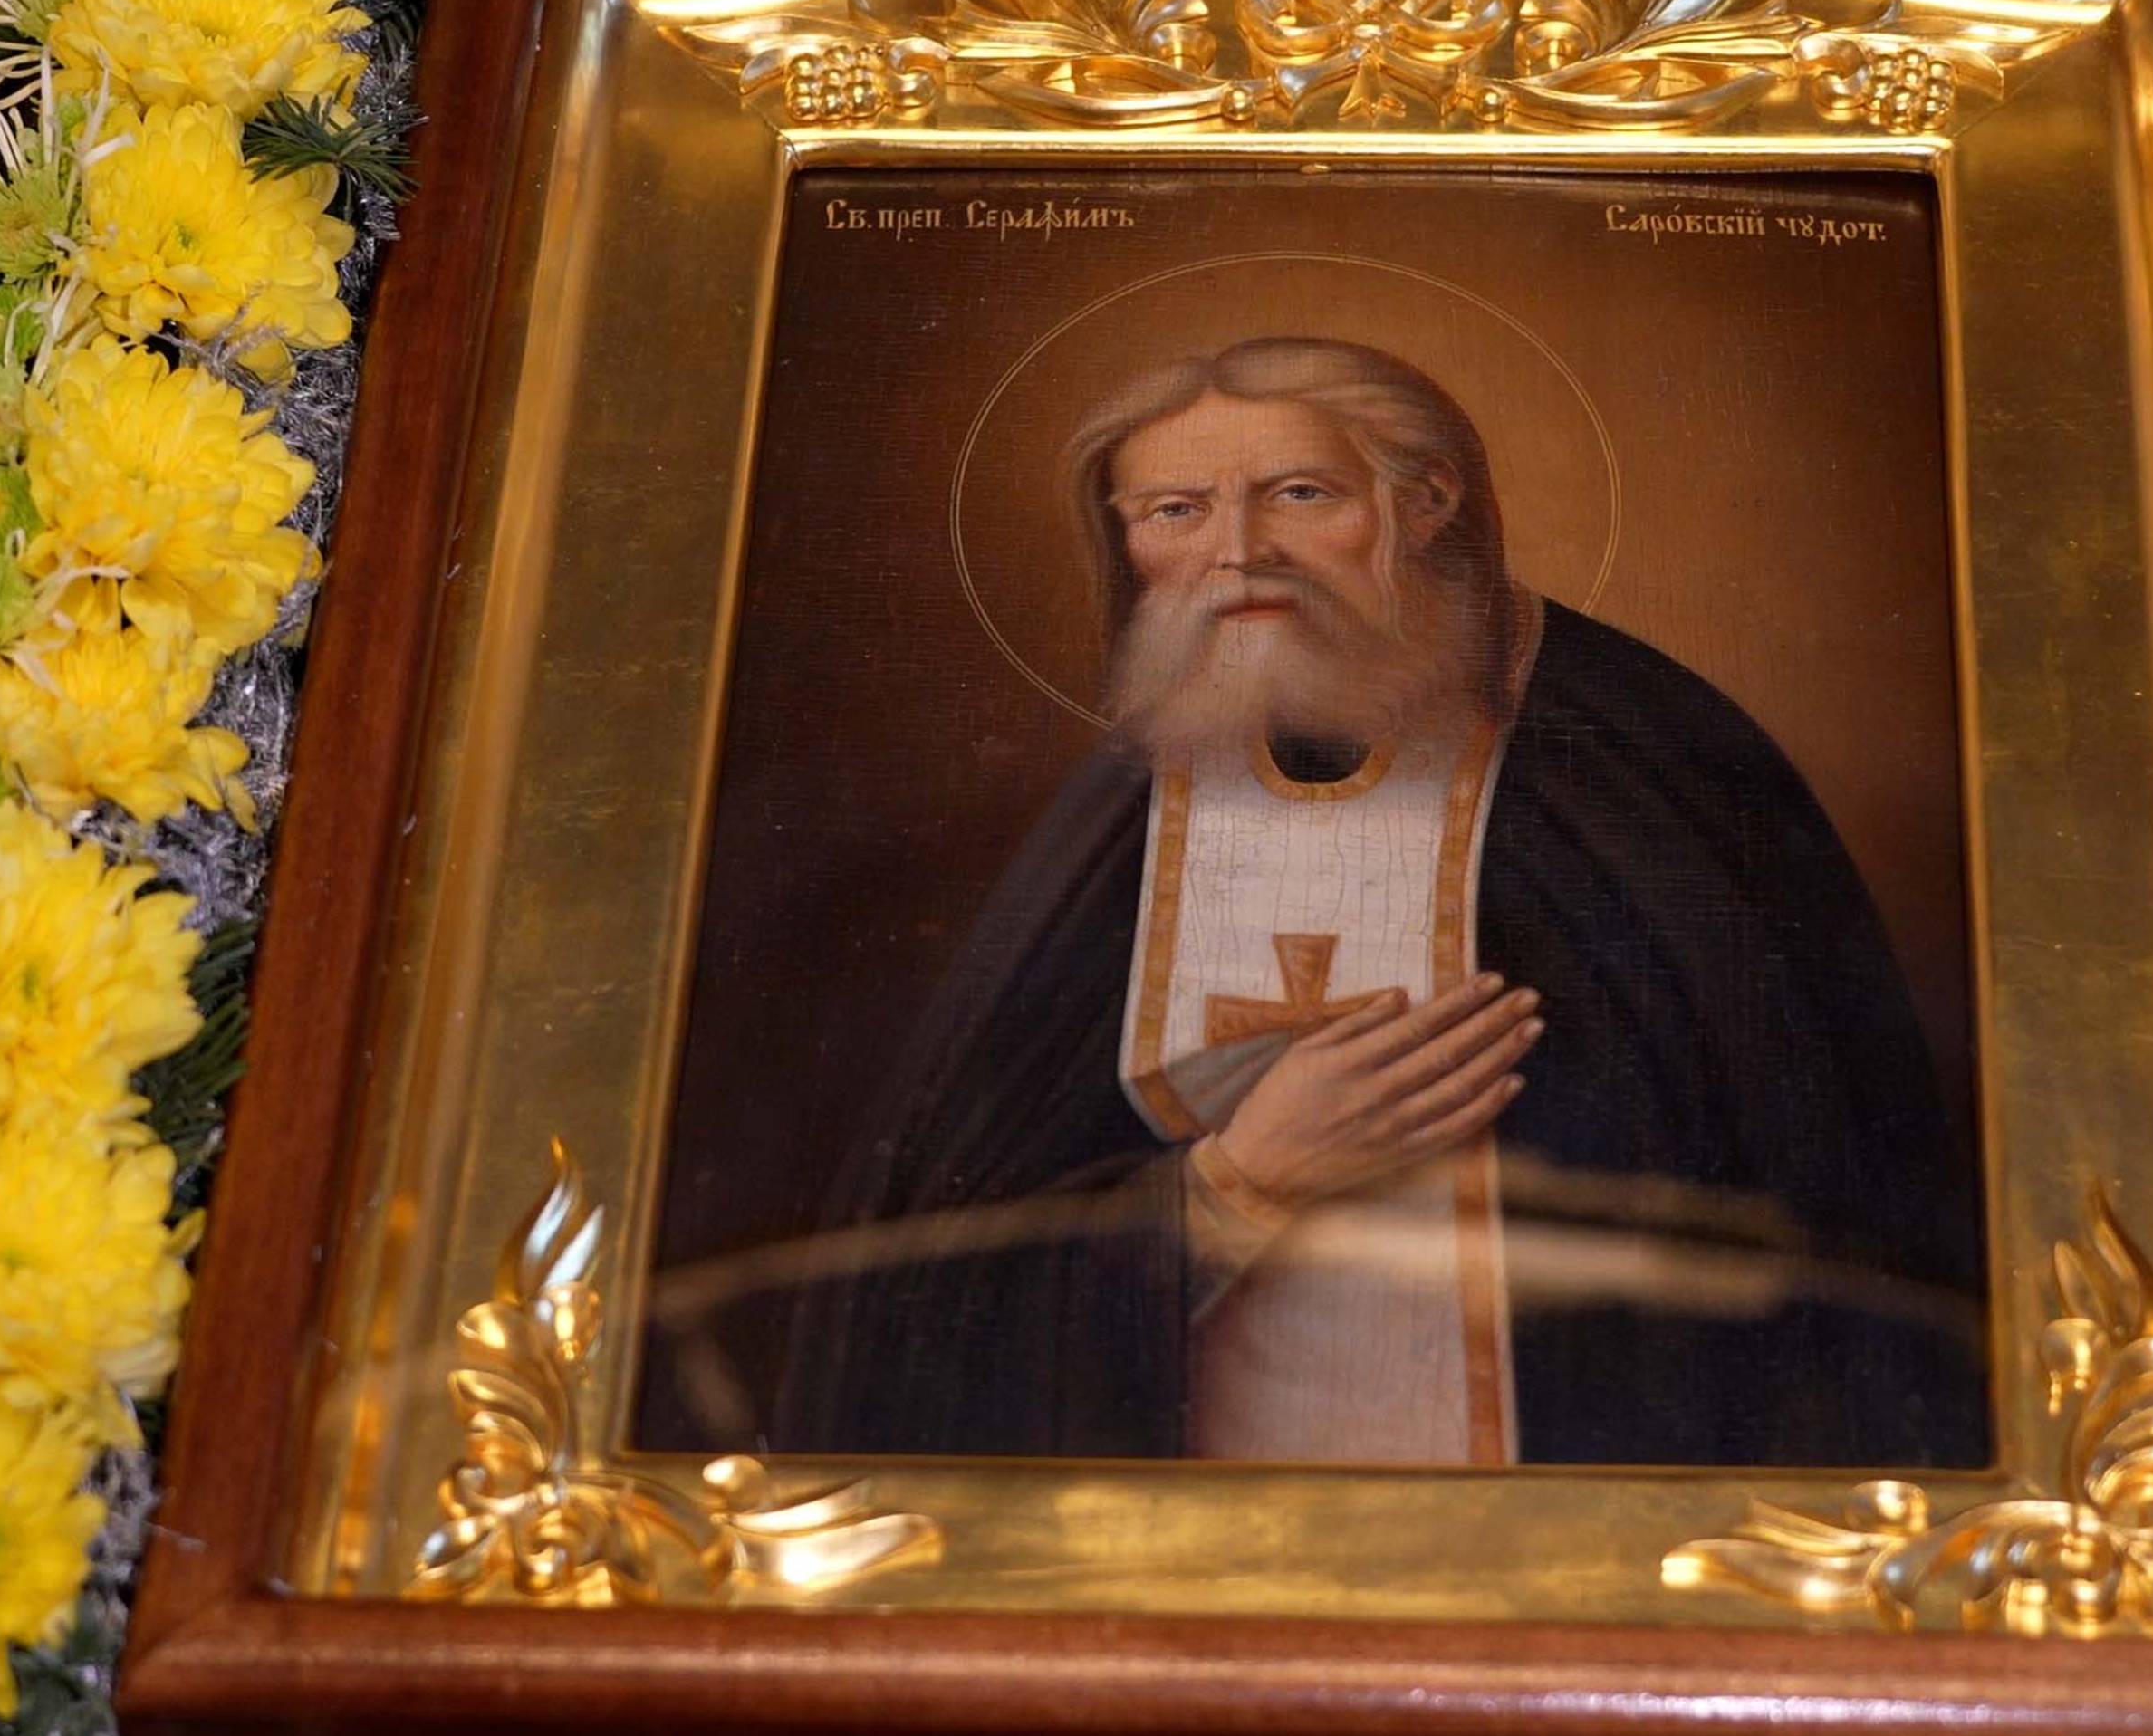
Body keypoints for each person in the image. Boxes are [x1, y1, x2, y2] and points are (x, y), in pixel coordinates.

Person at [772, 335, 1986, 1466]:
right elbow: (934, 1293)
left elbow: (1807, 1244)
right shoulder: (1119, 813)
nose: (1240, 552)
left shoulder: (1646, 764)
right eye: (1176, 511)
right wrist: (1239, 1184)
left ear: (1427, 501)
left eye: (1300, 494)